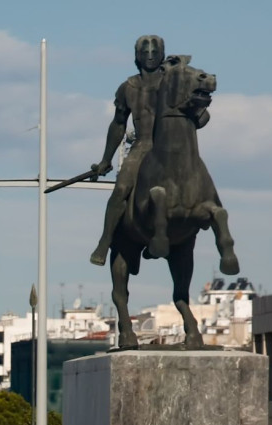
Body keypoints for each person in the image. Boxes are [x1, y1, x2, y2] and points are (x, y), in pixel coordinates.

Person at [89, 35, 170, 267]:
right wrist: (106, 159)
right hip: (143, 144)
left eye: (156, 52)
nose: (151, 56)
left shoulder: (172, 82)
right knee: (122, 188)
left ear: (162, 54)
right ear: (137, 56)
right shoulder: (128, 87)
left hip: (170, 144)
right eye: (145, 52)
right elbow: (118, 124)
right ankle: (105, 240)